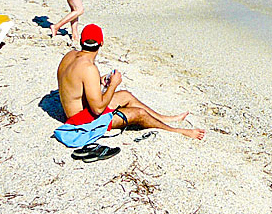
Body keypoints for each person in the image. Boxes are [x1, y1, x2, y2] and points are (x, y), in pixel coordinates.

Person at [55, 24, 205, 143]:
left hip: (74, 110)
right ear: (101, 43)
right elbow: (97, 110)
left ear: (82, 41)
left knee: (126, 95)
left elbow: (75, 81)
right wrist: (113, 85)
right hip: (81, 121)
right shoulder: (89, 68)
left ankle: (164, 118)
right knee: (139, 114)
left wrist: (99, 80)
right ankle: (175, 131)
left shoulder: (70, 56)